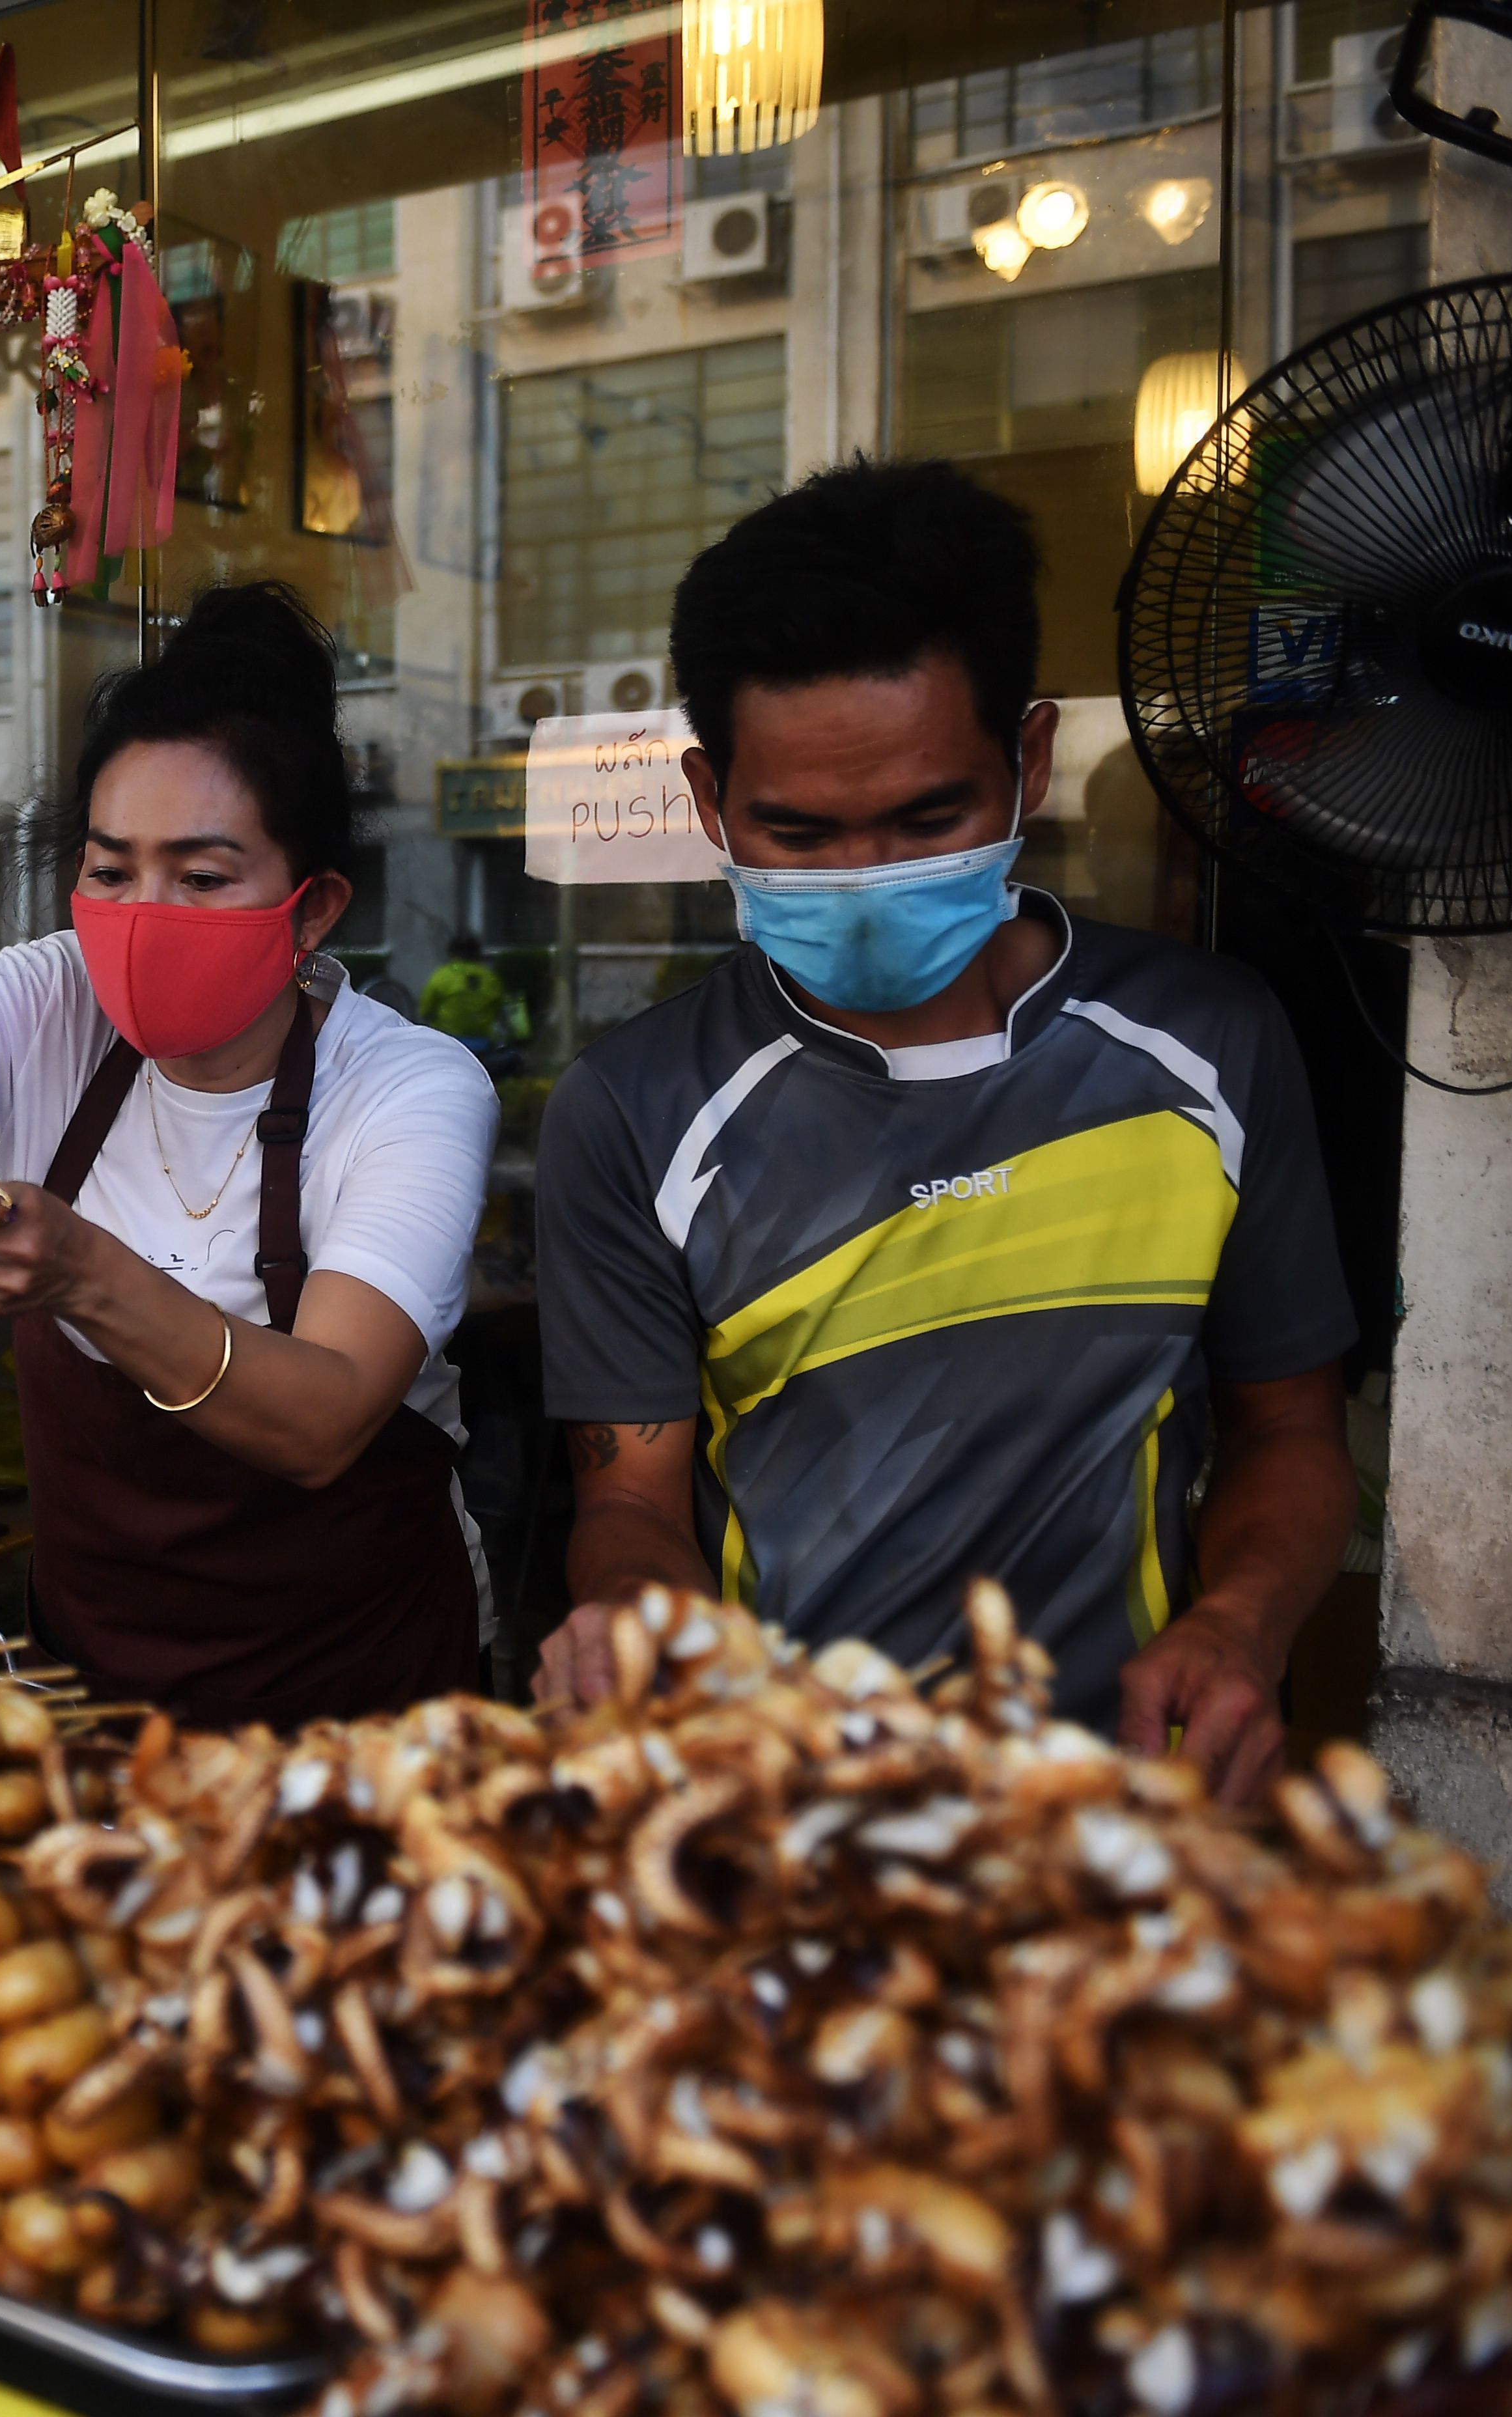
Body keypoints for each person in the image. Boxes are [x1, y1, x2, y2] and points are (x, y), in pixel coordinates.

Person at [532, 459, 1357, 1798]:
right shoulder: (634, 1110)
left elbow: (1291, 1432)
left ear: (1028, 759)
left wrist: (1241, 1623)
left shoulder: (1211, 1043)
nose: (863, 886)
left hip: (1129, 1811)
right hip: (790, 1821)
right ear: (708, 801)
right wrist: (635, 1625)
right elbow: (628, 1502)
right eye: (797, 832)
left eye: (928, 819)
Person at [0, 585, 499, 1726]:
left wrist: (79, 1272)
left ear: (313, 912)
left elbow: (323, 1418)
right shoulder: (49, 996)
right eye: (110, 871)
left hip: (364, 1710)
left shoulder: (408, 1086)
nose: (143, 914)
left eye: (203, 879)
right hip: (94, 1696)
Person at [415, 929, 521, 1060]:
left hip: (448, 1044)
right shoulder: (490, 978)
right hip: (484, 1045)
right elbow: (503, 1012)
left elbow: (425, 1011)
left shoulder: (441, 976)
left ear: (451, 953)